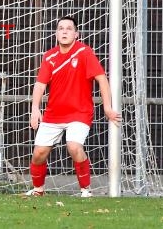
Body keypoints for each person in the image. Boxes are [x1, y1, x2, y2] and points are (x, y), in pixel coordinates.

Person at [25, 16, 121, 198]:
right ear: (56, 34)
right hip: (54, 114)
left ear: (76, 34)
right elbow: (40, 85)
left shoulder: (85, 53)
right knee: (39, 152)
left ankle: (85, 190)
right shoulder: (49, 56)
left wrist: (107, 108)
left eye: (69, 28)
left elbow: (101, 79)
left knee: (74, 146)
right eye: (61, 28)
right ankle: (38, 190)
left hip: (79, 113)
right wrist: (35, 109)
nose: (64, 31)